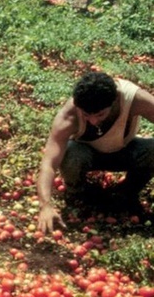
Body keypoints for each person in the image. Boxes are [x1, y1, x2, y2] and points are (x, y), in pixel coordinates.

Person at [37, 71, 154, 233]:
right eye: (86, 115)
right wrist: (45, 206)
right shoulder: (69, 116)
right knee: (70, 153)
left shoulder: (134, 99)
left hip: (125, 150)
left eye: (100, 114)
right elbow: (49, 163)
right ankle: (78, 194)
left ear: (114, 102)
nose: (93, 121)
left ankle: (126, 193)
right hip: (86, 154)